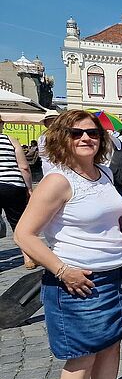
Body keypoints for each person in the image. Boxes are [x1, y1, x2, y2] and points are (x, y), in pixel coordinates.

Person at [14, 110, 122, 379]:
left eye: (92, 133)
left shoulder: (105, 173)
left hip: (116, 276)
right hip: (78, 283)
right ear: (61, 138)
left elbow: (112, 220)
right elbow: (23, 234)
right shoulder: (58, 180)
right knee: (81, 357)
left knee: (111, 346)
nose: (86, 138)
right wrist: (63, 271)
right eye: (77, 133)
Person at [0, 114, 35, 269]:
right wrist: (29, 188)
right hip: (13, 185)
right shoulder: (11, 140)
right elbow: (24, 167)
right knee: (18, 222)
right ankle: (27, 258)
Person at [37, 109, 60, 175]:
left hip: (48, 166)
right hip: (52, 166)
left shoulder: (41, 137)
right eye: (51, 121)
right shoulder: (43, 137)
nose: (53, 123)